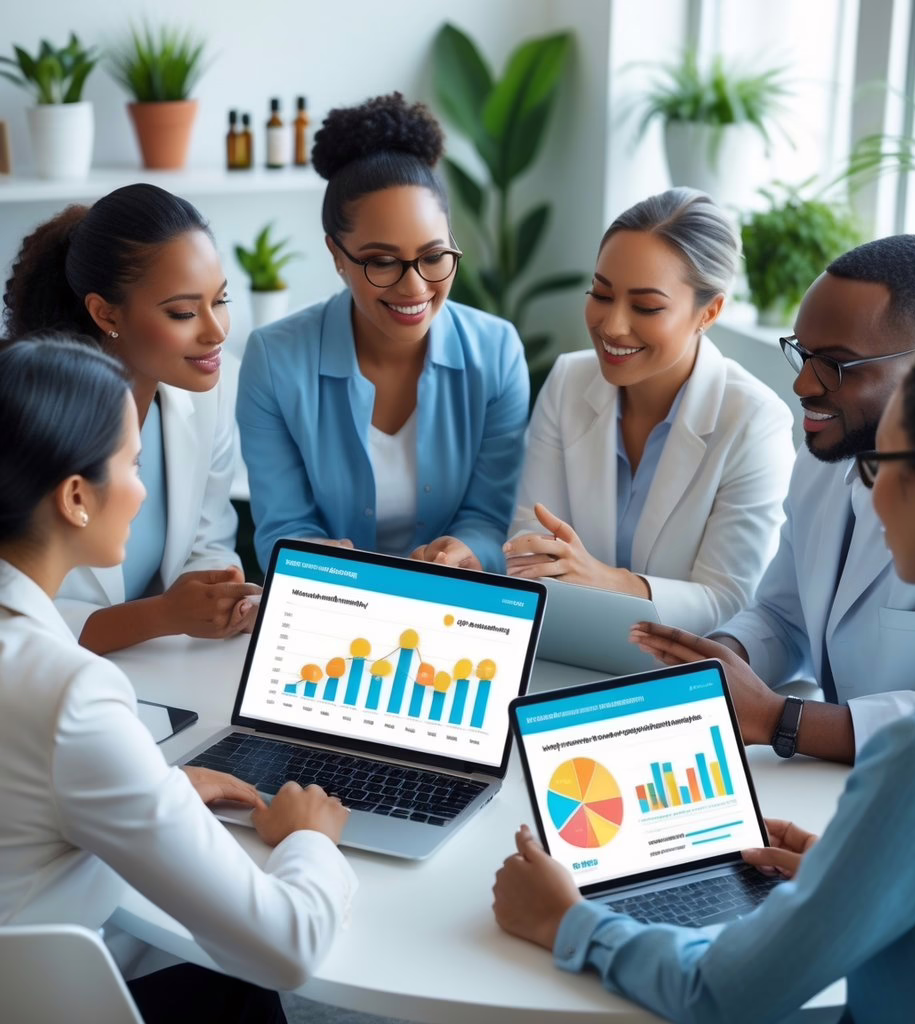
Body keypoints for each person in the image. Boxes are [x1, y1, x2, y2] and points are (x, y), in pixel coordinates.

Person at [492, 303, 915, 1024]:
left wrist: (567, 922)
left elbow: (721, 994)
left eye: (876, 465)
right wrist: (859, 866)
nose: (864, 489)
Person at [0, 336, 356, 1023]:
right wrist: (311, 837)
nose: (141, 490)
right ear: (77, 497)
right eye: (132, 464)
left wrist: (153, 791)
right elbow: (289, 945)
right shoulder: (73, 697)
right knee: (244, 982)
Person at [632, 234, 915, 762]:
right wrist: (724, 661)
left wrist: (779, 719)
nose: (802, 385)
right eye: (803, 353)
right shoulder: (824, 462)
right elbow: (784, 613)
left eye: (835, 365)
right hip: (840, 783)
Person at [237, 93, 529, 573]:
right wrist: (313, 559)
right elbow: (283, 526)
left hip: (454, 604)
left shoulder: (497, 353)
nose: (415, 286)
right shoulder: (275, 360)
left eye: (434, 256)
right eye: (382, 261)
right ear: (336, 255)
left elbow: (491, 515)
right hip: (331, 603)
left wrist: (470, 549)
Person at [503, 188, 794, 634]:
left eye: (646, 307)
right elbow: (529, 549)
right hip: (568, 646)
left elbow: (733, 602)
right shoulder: (568, 379)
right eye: (601, 294)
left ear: (709, 312)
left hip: (674, 673)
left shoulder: (754, 421)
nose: (613, 325)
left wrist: (602, 580)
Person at [2, 183, 260, 654]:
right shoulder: (29, 421)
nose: (217, 331)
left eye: (220, 300)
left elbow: (209, 539)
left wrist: (221, 597)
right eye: (183, 312)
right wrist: (159, 617)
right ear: (104, 313)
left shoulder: (212, 391)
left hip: (165, 669)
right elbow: (13, 614)